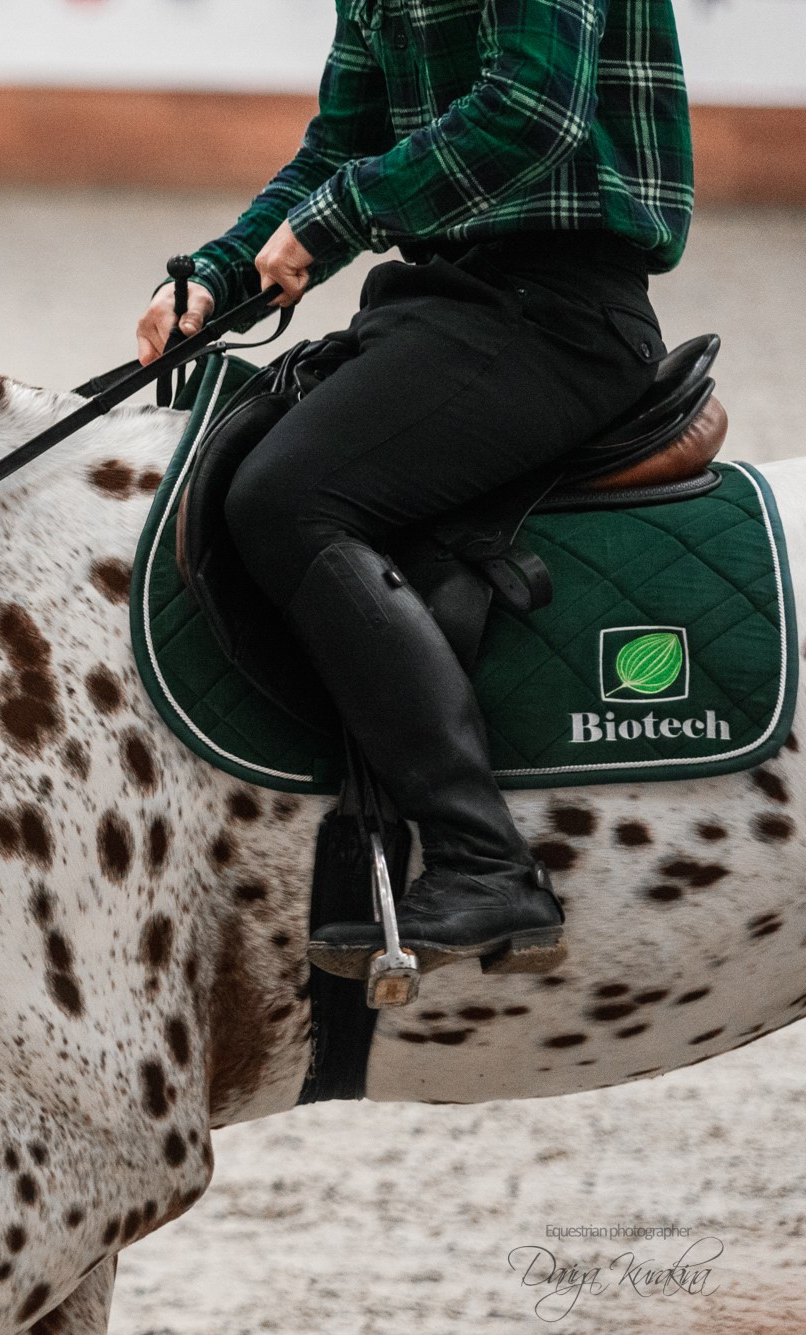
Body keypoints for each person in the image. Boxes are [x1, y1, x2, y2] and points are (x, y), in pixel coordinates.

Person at [136, 0, 694, 973]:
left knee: (287, 494)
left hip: (558, 309)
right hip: (444, 301)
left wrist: (340, 215)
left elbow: (531, 110)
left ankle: (484, 861)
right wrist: (217, 278)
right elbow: (342, 144)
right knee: (234, 443)